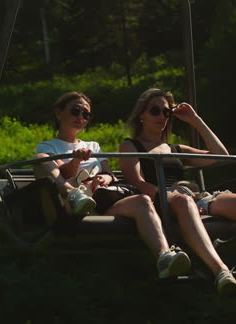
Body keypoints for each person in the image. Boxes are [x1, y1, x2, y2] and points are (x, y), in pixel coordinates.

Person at [35, 91, 192, 280]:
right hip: (72, 201)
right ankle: (73, 195)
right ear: (59, 113)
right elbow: (62, 174)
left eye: (86, 114)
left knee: (142, 200)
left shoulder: (93, 145)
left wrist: (105, 179)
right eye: (75, 111)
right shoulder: (48, 147)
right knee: (41, 159)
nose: (80, 118)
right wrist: (75, 162)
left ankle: (164, 257)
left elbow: (109, 174)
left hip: (100, 200)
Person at [119, 87, 236, 297]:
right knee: (184, 202)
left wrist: (196, 120)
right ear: (142, 115)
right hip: (161, 200)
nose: (161, 116)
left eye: (166, 112)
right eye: (155, 111)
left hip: (190, 198)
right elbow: (136, 180)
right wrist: (167, 197)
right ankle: (221, 271)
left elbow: (220, 155)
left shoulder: (175, 149)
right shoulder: (131, 145)